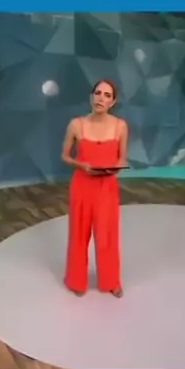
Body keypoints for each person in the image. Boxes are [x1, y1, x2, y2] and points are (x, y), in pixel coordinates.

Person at [61, 80, 128, 298]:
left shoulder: (120, 126)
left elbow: (122, 158)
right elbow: (65, 156)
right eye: (98, 93)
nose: (101, 98)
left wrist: (114, 170)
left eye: (107, 95)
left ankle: (111, 281)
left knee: (107, 235)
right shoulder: (76, 124)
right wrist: (81, 165)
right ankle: (76, 280)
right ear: (91, 96)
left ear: (113, 102)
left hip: (107, 187)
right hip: (81, 186)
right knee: (78, 234)